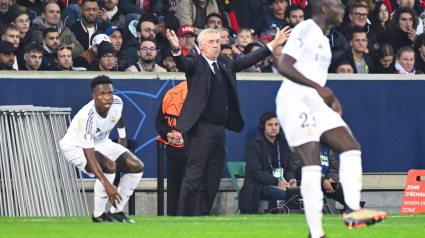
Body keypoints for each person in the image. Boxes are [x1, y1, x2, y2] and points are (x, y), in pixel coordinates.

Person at [276, 0, 386, 236]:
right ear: (324, 9)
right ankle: (316, 233)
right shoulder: (306, 27)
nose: (342, 8)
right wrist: (320, 89)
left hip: (316, 102)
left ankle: (353, 211)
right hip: (294, 102)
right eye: (337, 4)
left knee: (350, 147)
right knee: (312, 163)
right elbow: (284, 64)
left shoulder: (326, 41)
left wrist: (327, 96)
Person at [166, 26, 289, 216]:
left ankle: (202, 215)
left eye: (217, 42)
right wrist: (176, 49)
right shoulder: (195, 62)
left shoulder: (223, 61)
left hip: (219, 130)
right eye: (211, 42)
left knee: (213, 178)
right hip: (200, 130)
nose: (215, 46)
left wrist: (272, 44)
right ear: (201, 46)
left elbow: (247, 59)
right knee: (194, 176)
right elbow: (182, 64)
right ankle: (184, 217)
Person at [59, 75, 144, 223]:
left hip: (101, 142)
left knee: (136, 166)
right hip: (76, 147)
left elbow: (119, 114)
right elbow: (91, 157)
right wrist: (108, 185)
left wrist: (122, 136)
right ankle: (98, 215)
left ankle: (116, 212)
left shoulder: (117, 102)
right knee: (109, 166)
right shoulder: (85, 118)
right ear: (94, 97)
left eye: (110, 93)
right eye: (102, 94)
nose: (107, 97)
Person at [239, 111, 297, 214]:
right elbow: (256, 172)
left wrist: (291, 179)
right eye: (270, 125)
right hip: (259, 187)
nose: (274, 128)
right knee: (289, 195)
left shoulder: (283, 144)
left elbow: (289, 168)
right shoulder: (253, 145)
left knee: (297, 193)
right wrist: (276, 182)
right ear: (262, 127)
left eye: (276, 124)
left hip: (280, 184)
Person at [155, 80, 189, 216]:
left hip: (187, 150)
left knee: (179, 191)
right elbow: (160, 120)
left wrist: (171, 135)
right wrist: (169, 134)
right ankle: (178, 220)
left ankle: (175, 219)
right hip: (177, 150)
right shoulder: (173, 93)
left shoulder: (171, 92)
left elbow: (159, 121)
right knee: (178, 190)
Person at [292, 146, 348, 213]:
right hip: (308, 184)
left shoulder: (326, 147)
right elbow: (299, 170)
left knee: (348, 195)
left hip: (326, 183)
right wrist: (322, 181)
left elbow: (334, 166)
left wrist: (332, 179)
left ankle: (350, 216)